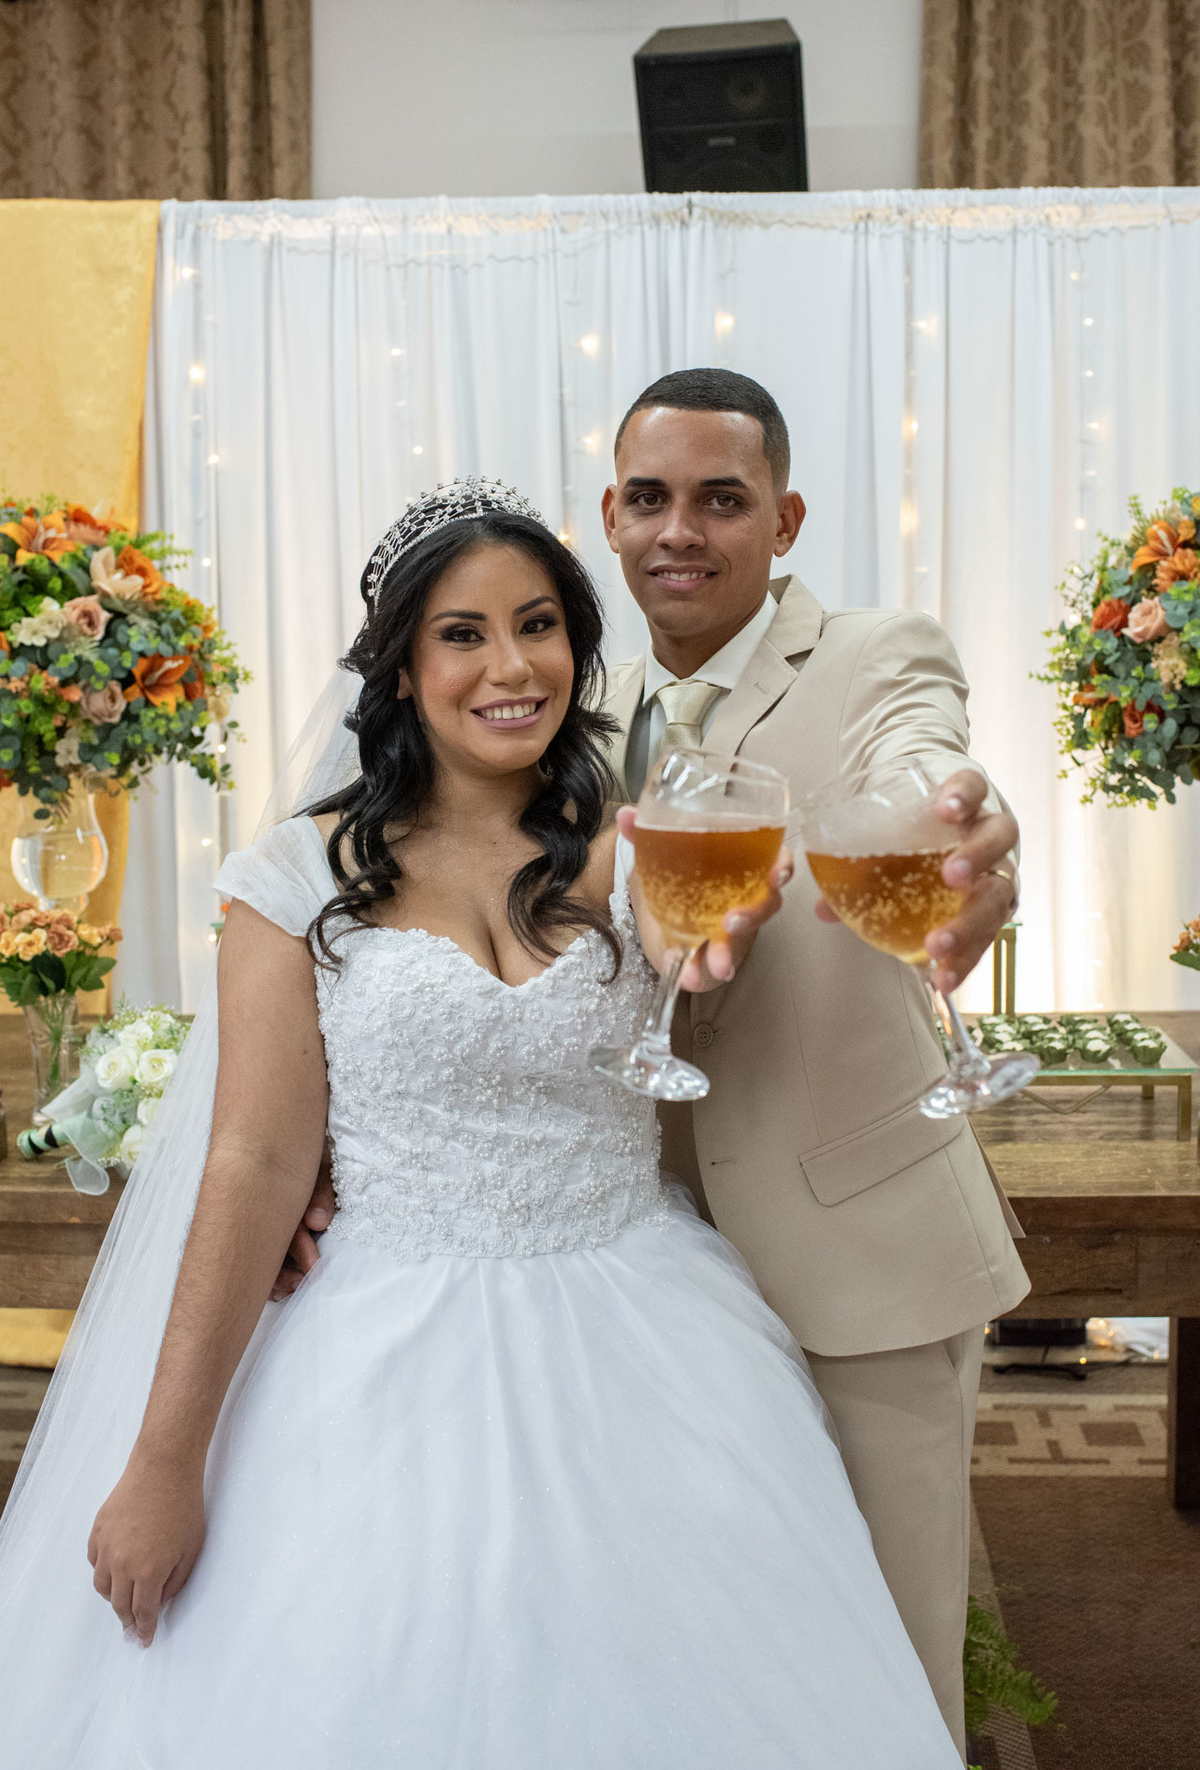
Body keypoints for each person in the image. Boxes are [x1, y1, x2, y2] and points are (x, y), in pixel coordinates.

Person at [0, 479, 962, 1768]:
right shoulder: (294, 877)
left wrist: (841, 885)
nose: (512, 666)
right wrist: (165, 1460)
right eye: (462, 633)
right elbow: (255, 1158)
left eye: (540, 625)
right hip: (375, 1337)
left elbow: (748, 941)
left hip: (649, 1329)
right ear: (400, 669)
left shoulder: (643, 844)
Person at [599, 368, 1032, 1758]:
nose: (683, 529)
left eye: (723, 499)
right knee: (725, 1644)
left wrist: (964, 840)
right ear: (610, 516)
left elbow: (931, 760)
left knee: (898, 1657)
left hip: (864, 1247)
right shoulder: (576, 701)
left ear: (783, 520)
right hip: (655, 1270)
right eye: (652, 498)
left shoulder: (872, 651)